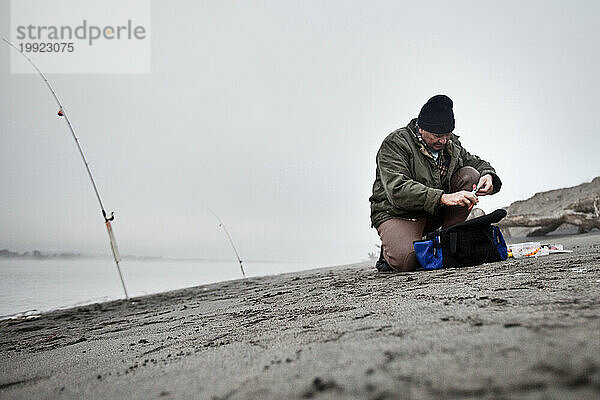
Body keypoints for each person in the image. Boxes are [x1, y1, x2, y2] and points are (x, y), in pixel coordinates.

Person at [369, 95, 501, 272]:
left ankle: (444, 238)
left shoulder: (450, 143)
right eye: (438, 136)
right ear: (421, 128)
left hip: (434, 210)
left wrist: (488, 175)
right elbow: (397, 189)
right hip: (398, 213)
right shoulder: (395, 144)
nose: (444, 141)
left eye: (447, 135)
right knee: (407, 262)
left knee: (471, 175)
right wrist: (443, 197)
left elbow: (475, 162)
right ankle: (390, 249)